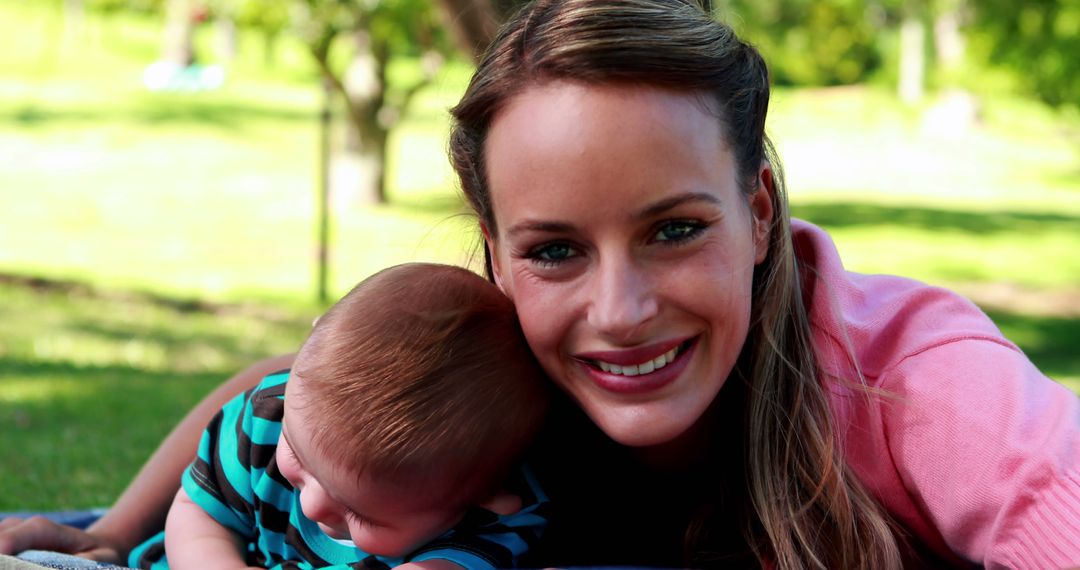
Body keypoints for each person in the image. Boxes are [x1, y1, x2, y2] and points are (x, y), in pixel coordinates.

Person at [2, 0, 1078, 568]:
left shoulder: (912, 379)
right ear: (496, 247)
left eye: (674, 229)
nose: (619, 310)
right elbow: (268, 388)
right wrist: (102, 537)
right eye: (555, 249)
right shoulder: (495, 354)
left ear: (758, 213)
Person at [131, 262, 549, 569]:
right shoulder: (270, 416)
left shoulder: (487, 531)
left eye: (360, 514)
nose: (311, 504)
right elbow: (199, 511)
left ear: (484, 496)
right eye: (295, 452)